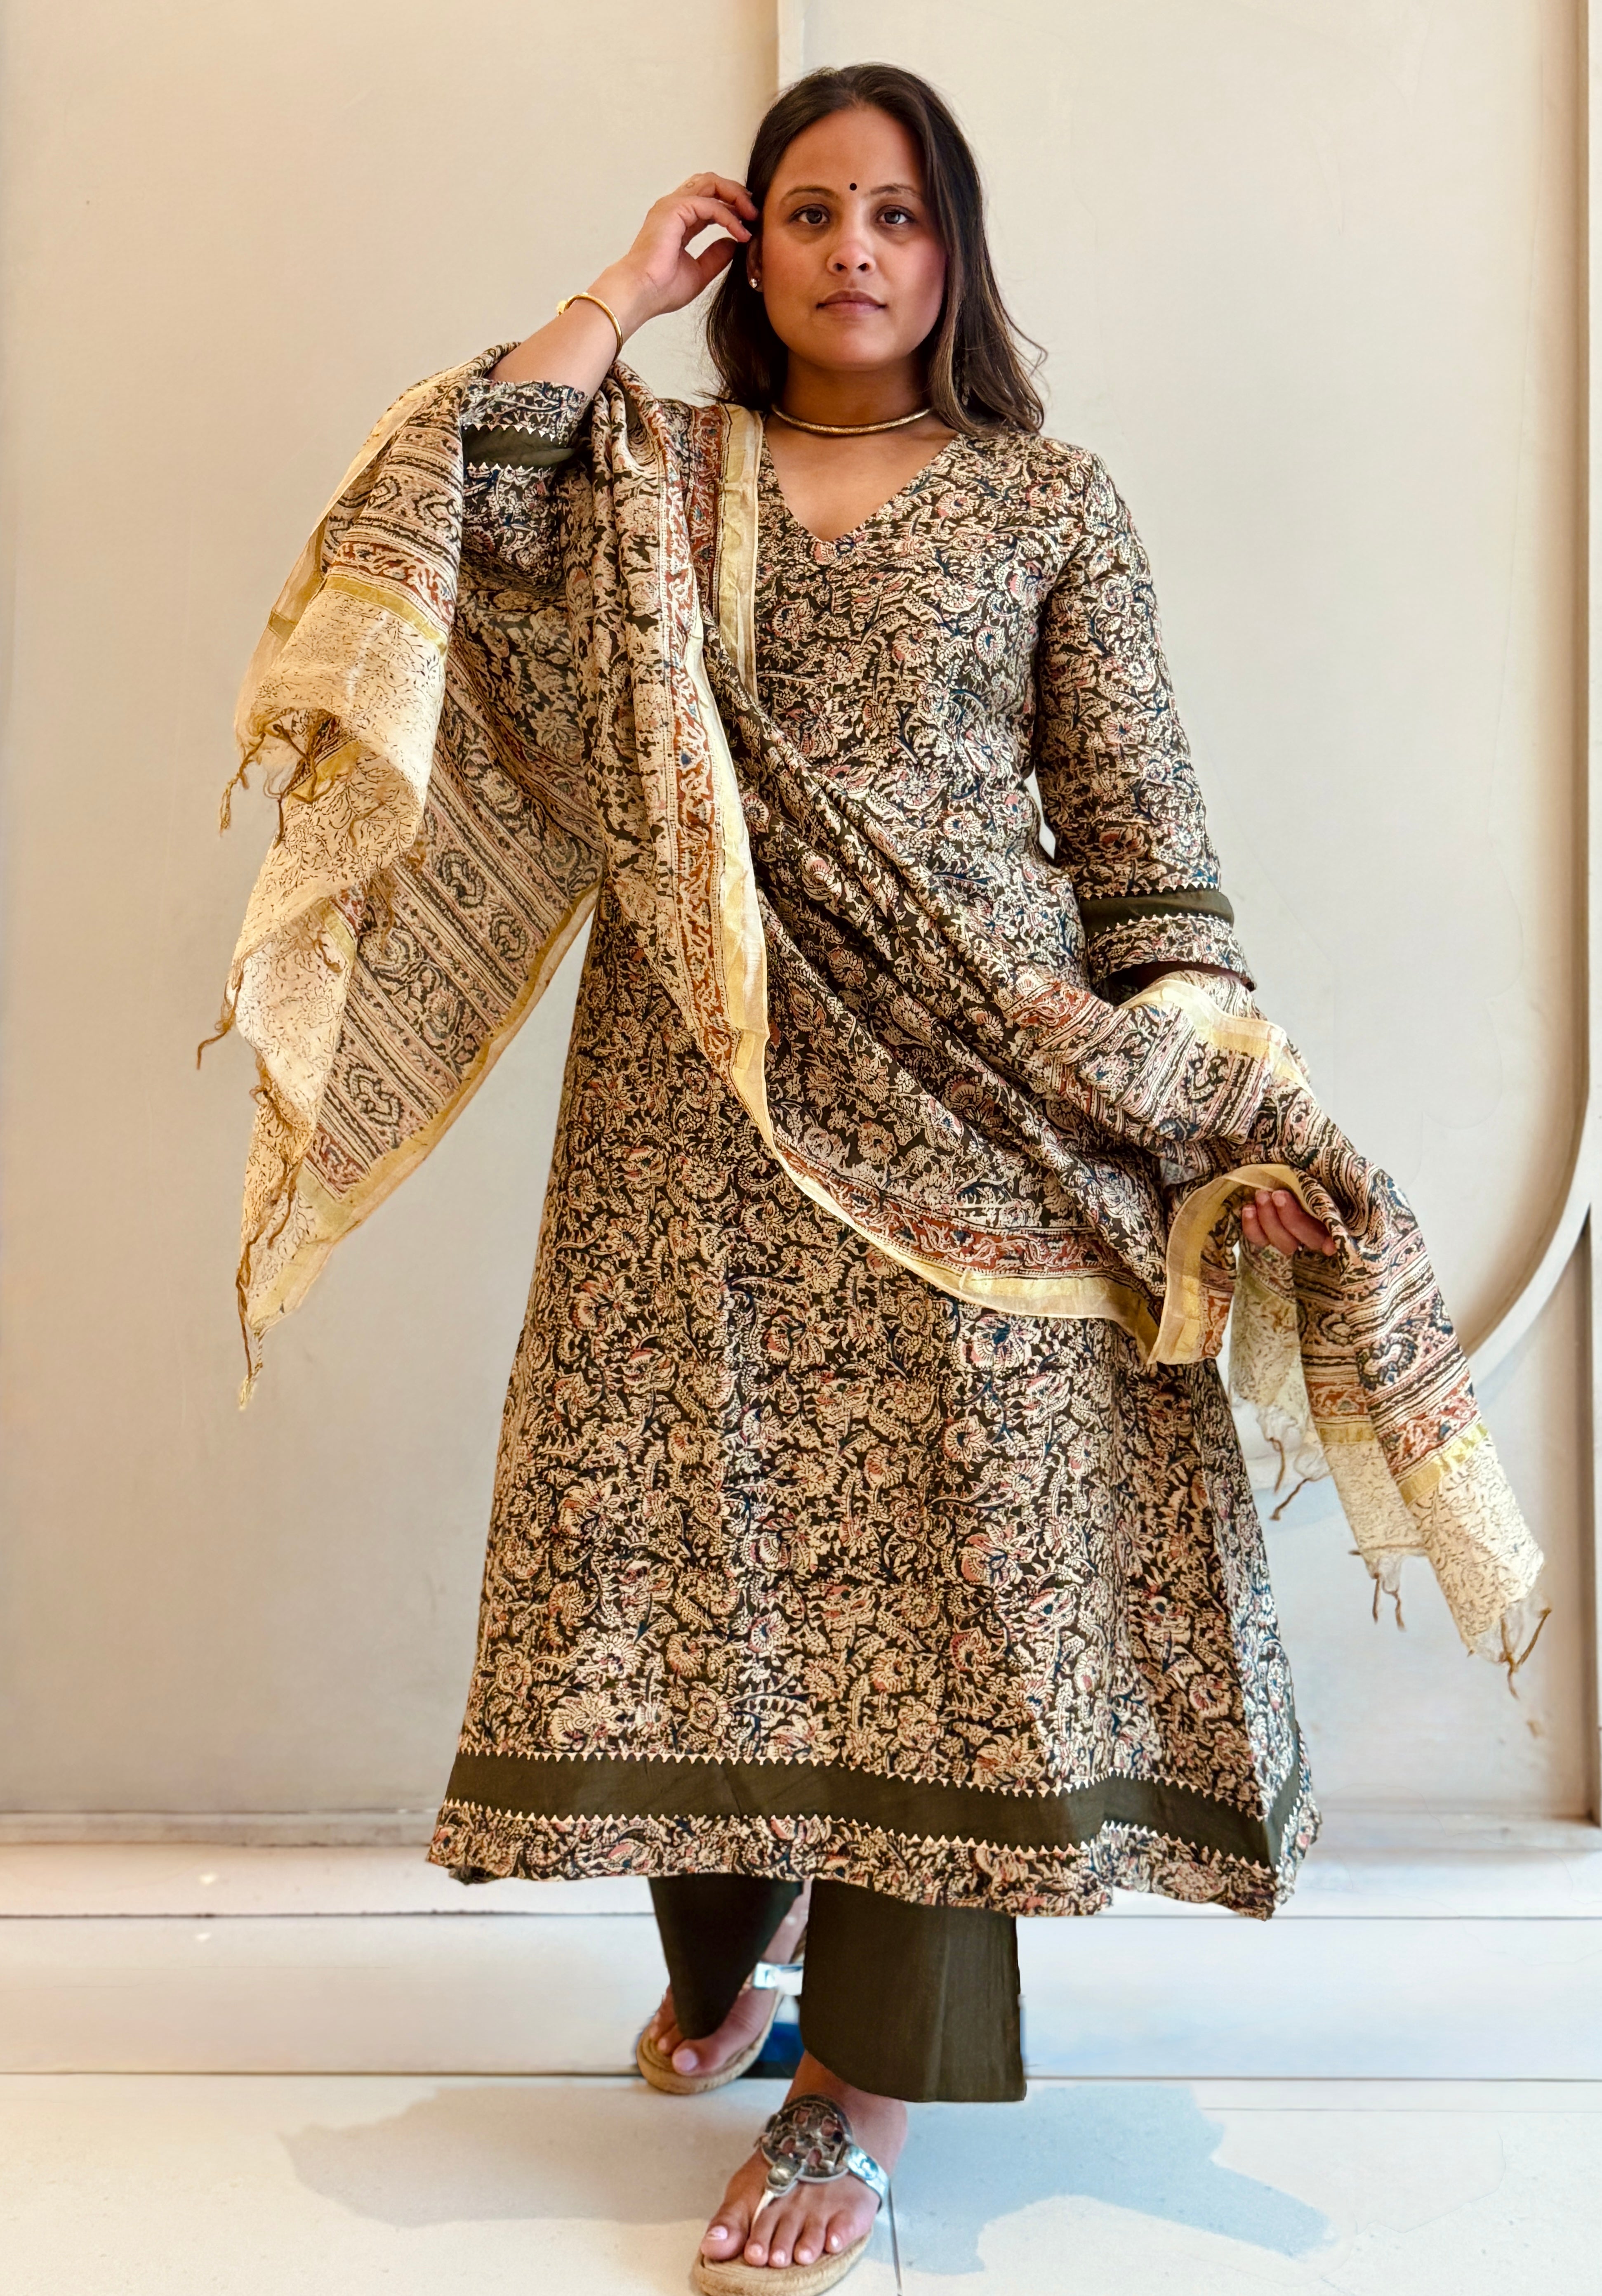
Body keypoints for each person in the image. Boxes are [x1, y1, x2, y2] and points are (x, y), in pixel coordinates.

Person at [216, 59, 1540, 2296]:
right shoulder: (659, 469)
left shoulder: (1048, 501)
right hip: (698, 1103)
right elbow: (450, 496)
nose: (855, 250)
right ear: (754, 245)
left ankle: (863, 2086)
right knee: (702, 1523)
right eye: (812, 209)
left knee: (949, 1580)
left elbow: (1147, 854)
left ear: (955, 253)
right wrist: (616, 293)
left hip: (987, 1098)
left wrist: (1212, 1103)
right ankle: (732, 1955)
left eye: (900, 214)